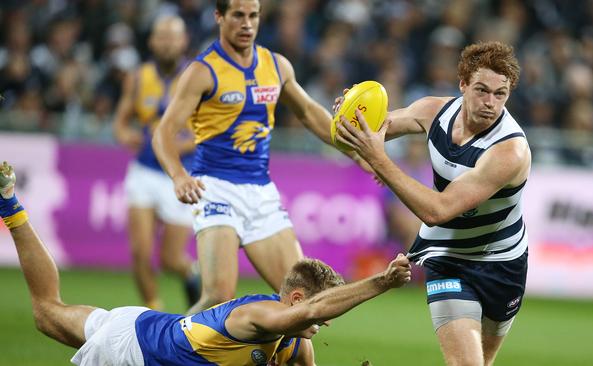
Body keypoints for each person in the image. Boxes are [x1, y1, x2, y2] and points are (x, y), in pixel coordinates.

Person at [0, 161, 411, 366]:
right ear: (297, 298)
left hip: (143, 322)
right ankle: (12, 207)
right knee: (45, 313)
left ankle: (8, 203)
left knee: (47, 312)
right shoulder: (261, 315)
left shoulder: (297, 343)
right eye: (320, 308)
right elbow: (317, 310)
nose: (325, 323)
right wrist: (382, 282)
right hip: (132, 352)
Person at [152, 0, 356, 315]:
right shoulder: (202, 71)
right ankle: (165, 351)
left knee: (303, 301)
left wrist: (359, 150)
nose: (247, 24)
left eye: (253, 16)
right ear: (219, 17)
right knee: (218, 296)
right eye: (238, 15)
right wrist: (179, 176)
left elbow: (308, 112)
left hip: (261, 193)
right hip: (215, 188)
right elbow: (163, 133)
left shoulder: (275, 66)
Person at [334, 41, 531, 366]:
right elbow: (364, 133)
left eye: (501, 94)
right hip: (448, 256)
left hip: (503, 264)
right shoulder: (433, 111)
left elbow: (436, 210)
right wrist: (349, 114)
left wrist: (380, 161)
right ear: (463, 83)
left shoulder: (509, 151)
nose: (490, 103)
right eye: (482, 90)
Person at [113, 15, 199, 310]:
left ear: (183, 41)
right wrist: (126, 135)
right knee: (139, 252)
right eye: (161, 36)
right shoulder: (138, 78)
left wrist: (181, 144)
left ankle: (191, 274)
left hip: (180, 173)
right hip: (145, 171)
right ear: (151, 41)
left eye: (173, 36)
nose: (167, 42)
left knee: (171, 259)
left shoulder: (197, 75)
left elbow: (212, 129)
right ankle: (154, 313)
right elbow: (121, 123)